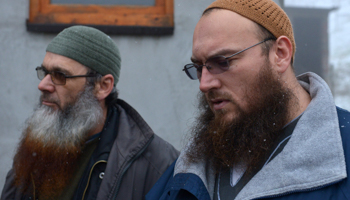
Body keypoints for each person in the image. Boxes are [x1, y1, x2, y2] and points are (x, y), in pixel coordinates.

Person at [146, 0, 350, 199]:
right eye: (199, 68)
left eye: (222, 62)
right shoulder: (190, 167)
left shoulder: (343, 151)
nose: (204, 84)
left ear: (280, 54)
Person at [1, 25, 179, 200]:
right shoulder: (38, 145)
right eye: (45, 72)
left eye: (60, 75)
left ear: (103, 86)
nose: (43, 85)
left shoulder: (157, 164)